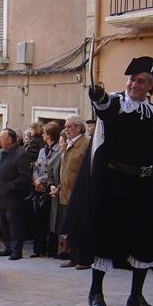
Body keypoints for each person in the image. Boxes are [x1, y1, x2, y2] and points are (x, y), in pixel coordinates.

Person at [83, 56, 153, 306]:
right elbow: (104, 108)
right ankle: (96, 292)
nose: (135, 84)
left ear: (150, 86)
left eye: (141, 80)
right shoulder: (116, 104)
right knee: (106, 236)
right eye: (132, 79)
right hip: (114, 184)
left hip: (144, 185)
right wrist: (97, 96)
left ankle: (136, 297)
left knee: (144, 239)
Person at [58, 115, 90, 269]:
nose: (66, 129)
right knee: (69, 227)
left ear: (78, 127)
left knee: (80, 227)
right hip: (66, 193)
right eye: (66, 126)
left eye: (69, 126)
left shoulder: (85, 144)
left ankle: (83, 258)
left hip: (79, 194)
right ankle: (73, 256)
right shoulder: (69, 144)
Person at [0, 128, 31, 260]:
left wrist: (11, 185)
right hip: (0, 195)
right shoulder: (0, 153)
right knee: (3, 222)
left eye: (1, 137)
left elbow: (25, 176)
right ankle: (7, 246)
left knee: (14, 224)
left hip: (14, 197)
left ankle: (16, 249)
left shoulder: (21, 154)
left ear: (9, 140)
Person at [30, 121, 62, 258]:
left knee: (52, 220)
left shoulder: (59, 151)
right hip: (39, 189)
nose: (42, 134)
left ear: (49, 135)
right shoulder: (43, 150)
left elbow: (53, 171)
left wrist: (42, 180)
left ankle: (52, 249)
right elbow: (37, 167)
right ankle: (39, 249)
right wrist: (35, 180)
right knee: (39, 220)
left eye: (44, 132)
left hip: (51, 188)